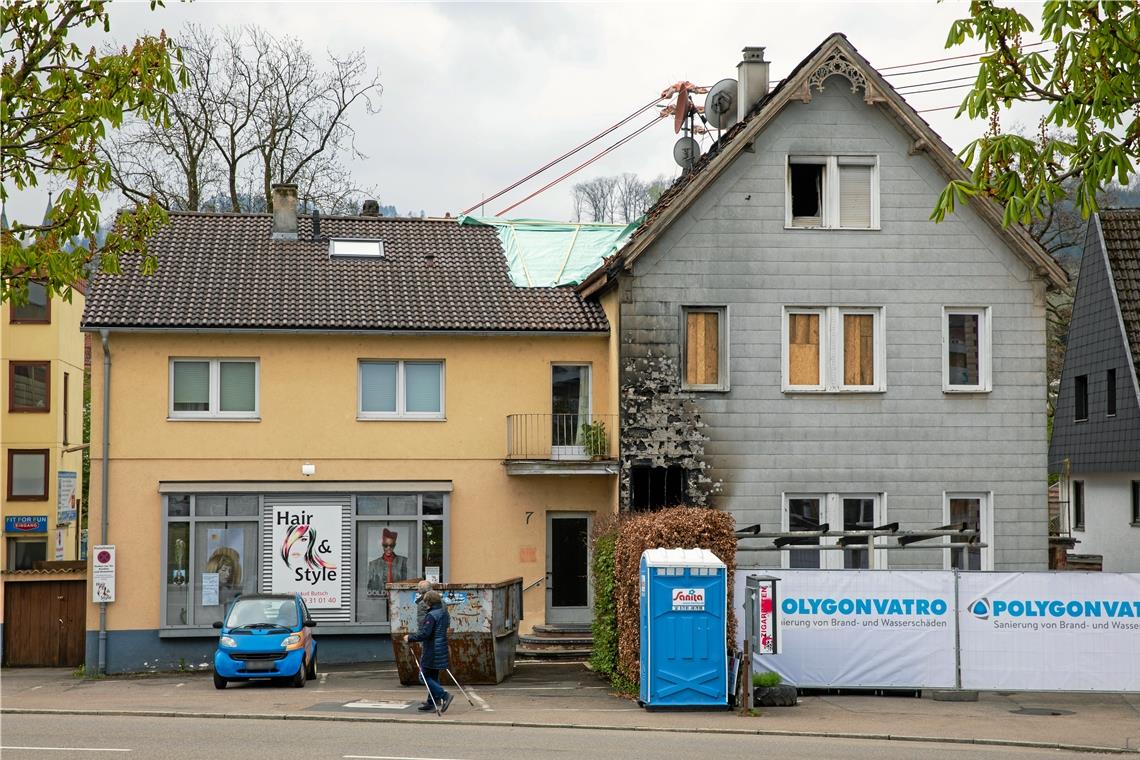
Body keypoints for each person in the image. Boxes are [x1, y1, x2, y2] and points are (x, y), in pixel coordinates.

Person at [407, 589, 452, 713]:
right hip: (441, 647)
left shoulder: (431, 615)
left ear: (429, 602)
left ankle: (444, 695)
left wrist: (410, 638)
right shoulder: (442, 612)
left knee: (423, 676)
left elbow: (426, 634)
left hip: (431, 650)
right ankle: (432, 701)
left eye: (425, 601)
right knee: (433, 675)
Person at [366, 528, 408, 593]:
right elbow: (370, 586)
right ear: (382, 545)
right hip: (380, 598)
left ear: (395, 545)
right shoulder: (373, 564)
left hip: (398, 598)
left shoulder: (403, 562)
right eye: (385, 545)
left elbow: (408, 582)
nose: (388, 548)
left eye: (391, 545)